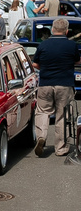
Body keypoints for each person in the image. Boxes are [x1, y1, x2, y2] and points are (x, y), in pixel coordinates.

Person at [31, 18, 81, 157]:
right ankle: (61, 148)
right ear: (66, 31)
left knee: (42, 111)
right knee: (62, 115)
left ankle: (41, 136)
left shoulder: (43, 45)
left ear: (52, 29)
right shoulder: (71, 45)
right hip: (64, 84)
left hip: (46, 83)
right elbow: (77, 60)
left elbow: (35, 64)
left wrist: (45, 68)